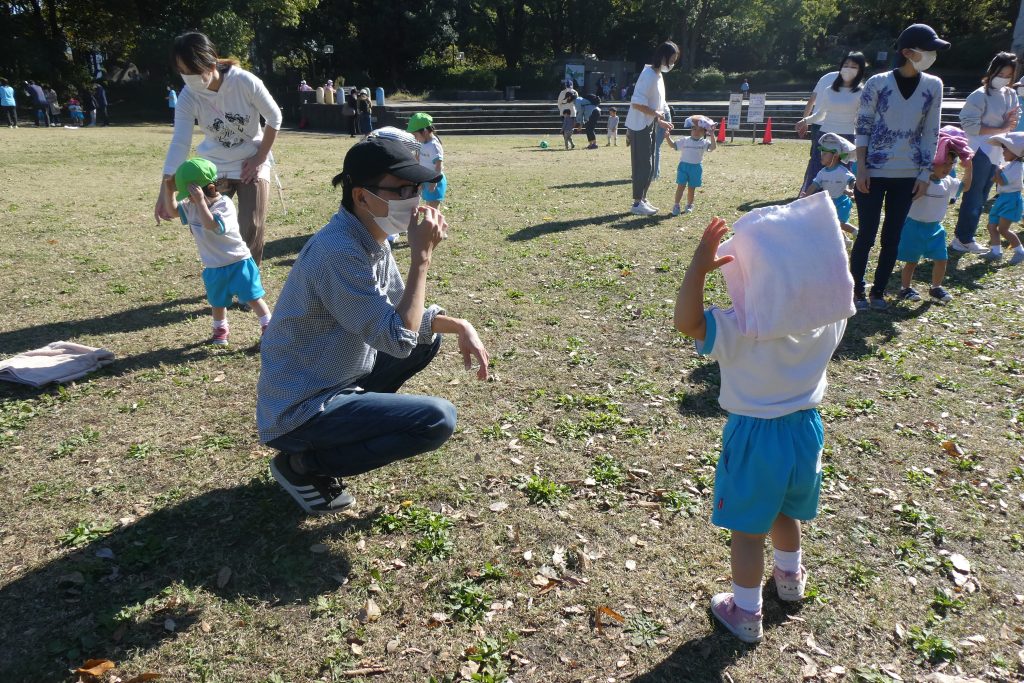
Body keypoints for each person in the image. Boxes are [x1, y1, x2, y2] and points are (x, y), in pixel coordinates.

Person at [256, 137, 490, 515]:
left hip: (337, 377)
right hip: (300, 407)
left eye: (416, 189)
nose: (414, 199)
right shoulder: (339, 251)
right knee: (435, 420)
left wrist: (459, 325)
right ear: (362, 197)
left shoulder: (370, 237)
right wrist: (421, 260)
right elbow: (398, 339)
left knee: (427, 340)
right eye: (401, 190)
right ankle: (302, 465)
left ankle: (344, 427)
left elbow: (405, 320)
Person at [673, 217, 848, 644]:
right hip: (805, 432)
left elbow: (686, 322)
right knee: (786, 510)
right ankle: (790, 579)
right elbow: (839, 289)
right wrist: (826, 246)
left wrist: (697, 267)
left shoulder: (738, 328)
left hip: (754, 438)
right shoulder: (829, 322)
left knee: (749, 533)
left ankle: (746, 613)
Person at [154, 32, 283, 269]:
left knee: (250, 224)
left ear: (211, 62)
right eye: (183, 72)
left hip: (250, 159)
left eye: (193, 71)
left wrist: (260, 157)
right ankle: (222, 272)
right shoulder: (188, 96)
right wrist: (165, 188)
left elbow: (274, 117)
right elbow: (180, 143)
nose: (188, 78)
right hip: (213, 166)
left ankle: (248, 282)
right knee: (205, 224)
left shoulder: (244, 82)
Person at [851, 24, 948, 312]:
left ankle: (878, 291)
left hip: (908, 173)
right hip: (874, 170)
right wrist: (861, 167)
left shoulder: (933, 85)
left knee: (892, 235)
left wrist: (923, 173)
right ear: (908, 52)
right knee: (867, 233)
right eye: (927, 49)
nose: (931, 55)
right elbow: (863, 126)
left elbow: (932, 131)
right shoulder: (878, 83)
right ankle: (856, 288)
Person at [163, 158, 272, 344]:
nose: (188, 198)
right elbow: (172, 212)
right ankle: (220, 331)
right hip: (214, 266)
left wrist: (200, 203)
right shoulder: (191, 207)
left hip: (239, 262)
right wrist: (168, 190)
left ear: (207, 188)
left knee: (252, 297)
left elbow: (211, 224)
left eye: (190, 194)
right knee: (217, 302)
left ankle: (269, 327)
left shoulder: (225, 205)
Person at [951, 52, 1021, 255]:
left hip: (997, 150)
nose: (1004, 79)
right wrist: (1002, 127)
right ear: (992, 71)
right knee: (973, 195)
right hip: (979, 149)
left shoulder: (1010, 94)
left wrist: (1006, 127)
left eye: (1009, 75)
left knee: (982, 196)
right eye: (1001, 73)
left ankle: (966, 236)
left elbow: (1014, 120)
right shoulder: (979, 95)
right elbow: (970, 125)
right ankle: (963, 238)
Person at [897, 131, 974, 303]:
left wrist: (968, 166)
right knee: (912, 261)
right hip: (914, 226)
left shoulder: (948, 182)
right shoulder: (920, 180)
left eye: (951, 164)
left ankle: (936, 287)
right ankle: (905, 288)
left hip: (935, 228)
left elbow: (966, 187)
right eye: (943, 163)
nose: (947, 168)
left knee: (941, 259)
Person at [797, 52, 867, 194]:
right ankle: (811, 201)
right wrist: (805, 120)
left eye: (853, 67)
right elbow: (820, 114)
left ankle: (838, 207)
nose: (848, 69)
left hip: (847, 138)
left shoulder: (862, 92)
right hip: (826, 136)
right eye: (846, 65)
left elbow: (862, 119)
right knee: (818, 171)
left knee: (842, 176)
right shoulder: (829, 90)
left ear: (860, 71)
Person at [626, 41, 679, 215]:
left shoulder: (658, 75)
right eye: (671, 59)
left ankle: (642, 198)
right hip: (639, 125)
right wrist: (657, 116)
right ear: (663, 57)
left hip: (649, 124)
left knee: (649, 164)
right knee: (644, 165)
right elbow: (636, 103)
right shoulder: (648, 74)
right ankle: (637, 203)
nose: (672, 64)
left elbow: (659, 103)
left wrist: (660, 120)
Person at [803, 133, 859, 245]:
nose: (821, 156)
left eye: (825, 153)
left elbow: (852, 181)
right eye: (821, 153)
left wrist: (852, 190)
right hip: (829, 202)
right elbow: (814, 185)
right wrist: (806, 196)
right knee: (831, 222)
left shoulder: (842, 171)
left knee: (838, 223)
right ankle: (845, 240)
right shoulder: (822, 173)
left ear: (836, 155)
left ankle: (857, 232)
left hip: (842, 201)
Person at [979, 132, 1024, 264]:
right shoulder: (1010, 165)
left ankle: (1020, 251)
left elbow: (1003, 182)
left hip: (1011, 200)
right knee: (991, 225)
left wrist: (998, 171)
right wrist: (998, 173)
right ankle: (995, 251)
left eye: (1006, 149)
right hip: (1002, 199)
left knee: (1003, 229)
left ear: (1016, 151)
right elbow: (997, 180)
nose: (1003, 152)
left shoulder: (1018, 167)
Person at [669, 115, 716, 216]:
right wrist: (667, 137)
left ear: (704, 133)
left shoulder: (704, 142)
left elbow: (713, 147)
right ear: (691, 130)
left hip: (696, 168)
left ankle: (689, 205)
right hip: (683, 167)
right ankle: (676, 205)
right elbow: (673, 145)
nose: (696, 132)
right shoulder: (685, 140)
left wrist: (712, 135)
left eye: (700, 130)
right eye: (694, 129)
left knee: (691, 188)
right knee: (680, 186)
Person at [407, 112, 446, 209]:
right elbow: (418, 159)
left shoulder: (433, 146)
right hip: (425, 179)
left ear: (424, 131)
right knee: (428, 206)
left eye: (415, 135)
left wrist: (434, 183)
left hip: (435, 181)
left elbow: (438, 165)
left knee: (433, 209)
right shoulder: (421, 143)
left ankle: (435, 223)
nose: (415, 138)